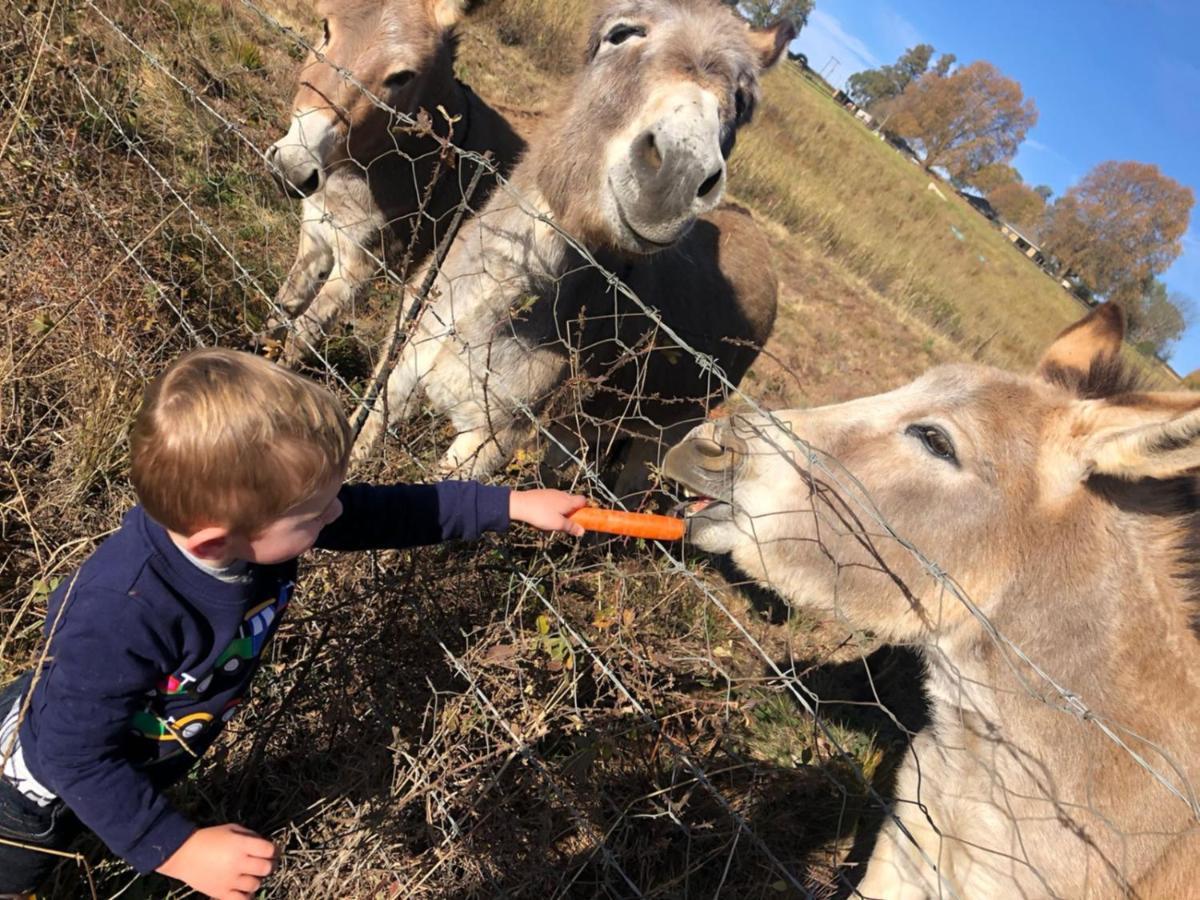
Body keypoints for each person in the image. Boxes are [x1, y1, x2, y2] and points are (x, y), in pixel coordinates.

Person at [0, 348, 586, 899]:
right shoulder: (122, 611)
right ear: (216, 539)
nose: (335, 512)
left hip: (112, 748)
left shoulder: (251, 521)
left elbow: (375, 512)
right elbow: (71, 756)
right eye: (315, 511)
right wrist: (176, 847)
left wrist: (505, 505)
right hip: (29, 799)